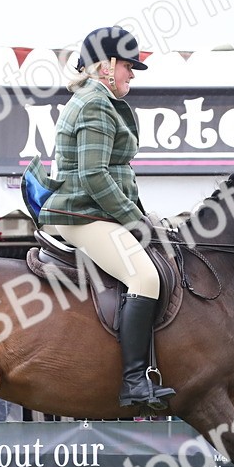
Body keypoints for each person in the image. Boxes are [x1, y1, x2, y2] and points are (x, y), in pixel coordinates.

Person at [35, 26, 175, 411]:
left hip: (93, 210)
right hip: (81, 213)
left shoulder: (99, 100)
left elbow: (113, 176)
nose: (132, 74)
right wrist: (136, 221)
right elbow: (94, 175)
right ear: (106, 65)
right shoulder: (94, 103)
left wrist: (144, 218)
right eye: (128, 66)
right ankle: (134, 381)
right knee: (143, 276)